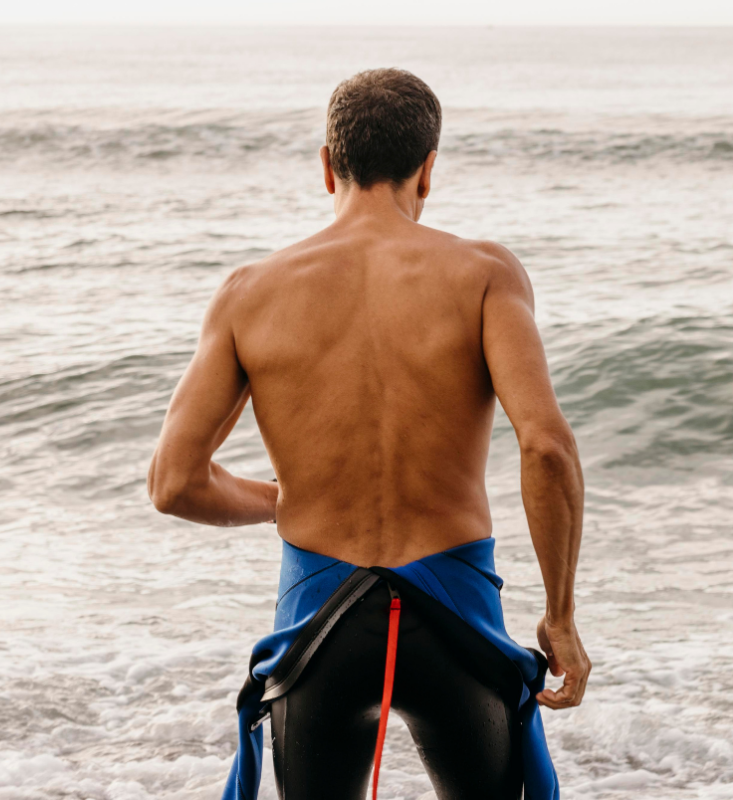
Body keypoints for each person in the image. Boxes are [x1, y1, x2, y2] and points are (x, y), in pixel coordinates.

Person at [148, 68, 590, 800]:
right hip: (454, 619)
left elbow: (174, 483)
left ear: (327, 165)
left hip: (319, 627)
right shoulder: (483, 275)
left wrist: (285, 497)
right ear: (429, 170)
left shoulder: (249, 294)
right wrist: (561, 616)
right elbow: (546, 446)